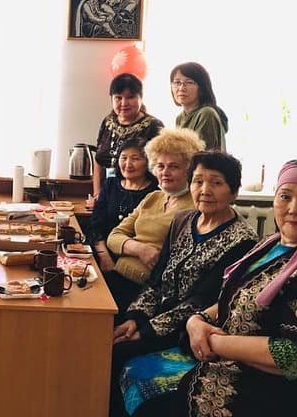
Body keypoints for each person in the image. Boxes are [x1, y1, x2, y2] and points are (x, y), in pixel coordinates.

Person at [131, 160, 297, 417]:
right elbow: (236, 298)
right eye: (285, 196)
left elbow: (296, 357)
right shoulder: (272, 244)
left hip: (272, 393)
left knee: (151, 408)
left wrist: (215, 342)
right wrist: (197, 320)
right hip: (231, 364)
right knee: (135, 382)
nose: (293, 209)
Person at [109, 151, 259, 416]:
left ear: (234, 192)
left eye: (216, 183)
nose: (205, 190)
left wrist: (146, 330)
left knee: (116, 354)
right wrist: (135, 317)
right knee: (107, 332)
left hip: (189, 330)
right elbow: (157, 279)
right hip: (154, 316)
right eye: (198, 181)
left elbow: (203, 300)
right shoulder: (183, 220)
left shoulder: (242, 240)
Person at [105, 128, 204, 313]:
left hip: (146, 292)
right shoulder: (153, 197)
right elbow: (114, 236)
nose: (165, 172)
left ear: (189, 170)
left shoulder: (195, 207)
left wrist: (129, 246)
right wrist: (140, 249)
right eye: (160, 166)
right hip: (118, 277)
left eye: (173, 167)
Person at [89, 138, 159, 274]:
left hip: (136, 260)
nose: (128, 164)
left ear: (148, 162)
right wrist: (104, 256)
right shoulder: (110, 184)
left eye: (135, 159)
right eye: (124, 158)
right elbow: (96, 226)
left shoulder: (155, 193)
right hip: (102, 251)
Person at [93, 73, 164, 203]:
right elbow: (98, 160)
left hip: (140, 196)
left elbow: (160, 165)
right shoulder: (108, 122)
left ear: (141, 98)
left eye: (130, 97)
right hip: (107, 194)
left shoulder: (154, 126)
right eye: (118, 98)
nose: (124, 103)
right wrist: (97, 193)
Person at [170, 62, 228, 152]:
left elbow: (201, 154)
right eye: (177, 82)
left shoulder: (206, 114)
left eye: (189, 82)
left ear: (202, 88)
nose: (181, 88)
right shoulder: (180, 118)